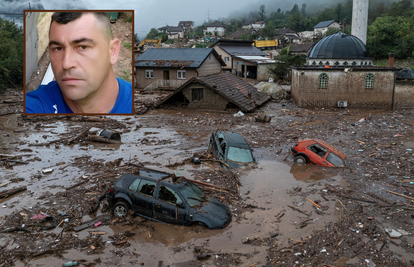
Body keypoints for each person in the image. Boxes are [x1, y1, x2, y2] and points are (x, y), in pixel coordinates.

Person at [25, 12, 132, 114]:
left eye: (83, 47)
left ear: (113, 51)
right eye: (58, 48)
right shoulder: (34, 106)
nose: (66, 64)